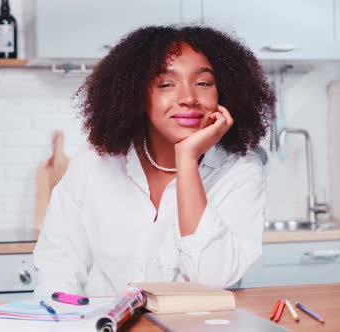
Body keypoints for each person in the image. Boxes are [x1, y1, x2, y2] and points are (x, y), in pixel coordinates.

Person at [33, 25, 275, 297]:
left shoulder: (241, 171)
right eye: (166, 84)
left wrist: (187, 160)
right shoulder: (95, 162)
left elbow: (213, 279)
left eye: (204, 83)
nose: (188, 98)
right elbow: (58, 263)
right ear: (137, 94)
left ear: (224, 93)